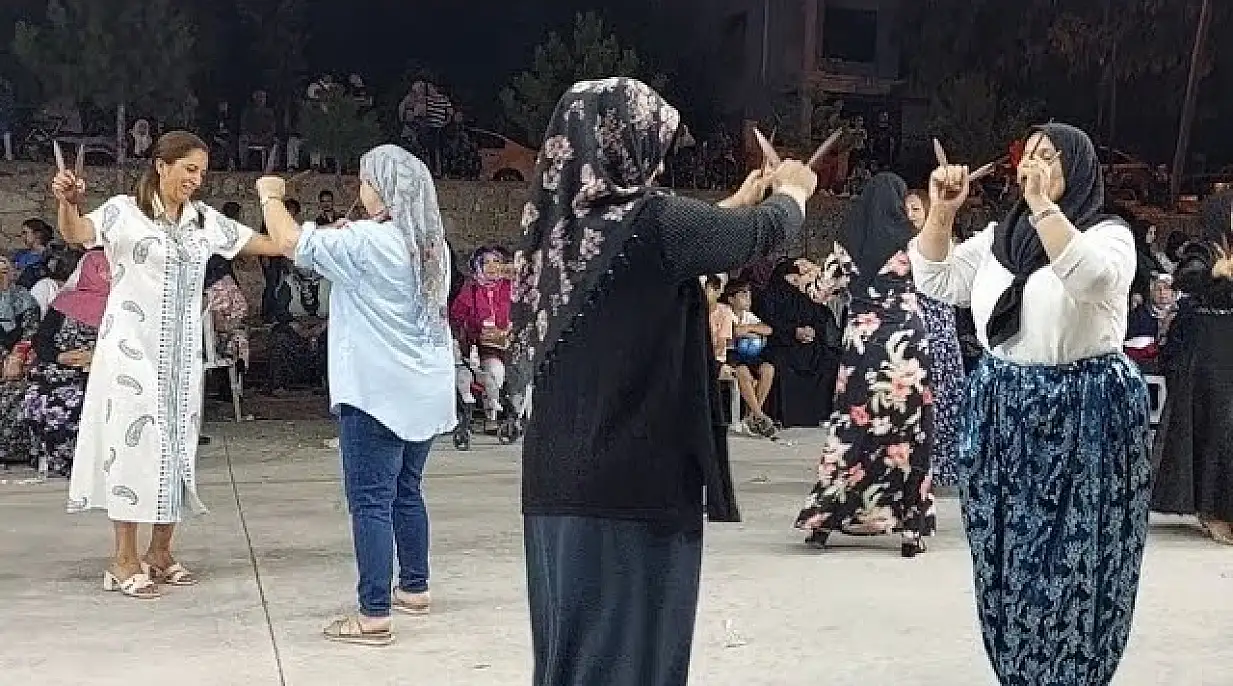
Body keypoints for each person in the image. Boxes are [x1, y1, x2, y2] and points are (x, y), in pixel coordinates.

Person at [508, 77, 816, 686]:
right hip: (632, 484)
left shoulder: (557, 231)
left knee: (574, 662)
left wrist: (734, 201)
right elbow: (756, 236)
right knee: (631, 662)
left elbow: (672, 248)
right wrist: (792, 192)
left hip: (556, 484)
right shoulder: (652, 224)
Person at [908, 123, 1149, 685]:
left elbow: (1091, 279)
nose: (1036, 165)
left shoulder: (1108, 235)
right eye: (1031, 155)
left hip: (1086, 413)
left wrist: (1043, 207)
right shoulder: (1000, 241)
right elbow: (937, 279)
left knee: (1077, 561)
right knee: (1008, 557)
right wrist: (942, 212)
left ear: (1078, 170)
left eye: (1051, 157)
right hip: (1004, 412)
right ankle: (1017, 672)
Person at [51, 130, 287, 600]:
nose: (196, 179)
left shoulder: (204, 222)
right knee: (132, 446)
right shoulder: (123, 212)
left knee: (177, 445)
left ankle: (160, 552)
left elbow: (273, 244)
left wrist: (279, 207)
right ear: (162, 165)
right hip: (130, 352)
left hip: (181, 358)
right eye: (189, 169)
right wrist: (68, 202)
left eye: (202, 172)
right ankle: (123, 559)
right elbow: (76, 233)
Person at [257, 144, 455, 645]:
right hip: (424, 389)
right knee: (407, 490)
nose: (359, 189)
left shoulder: (368, 241)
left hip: (376, 391)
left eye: (365, 180)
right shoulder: (432, 245)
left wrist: (270, 196)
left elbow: (289, 241)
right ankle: (414, 586)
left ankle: (373, 614)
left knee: (370, 502)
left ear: (382, 189)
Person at [794, 173, 936, 557]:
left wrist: (806, 279)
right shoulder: (914, 244)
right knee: (908, 433)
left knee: (853, 428)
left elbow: (821, 292)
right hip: (908, 348)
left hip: (864, 347)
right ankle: (911, 530)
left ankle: (824, 522)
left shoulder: (848, 246)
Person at [1152, 191, 1233, 545]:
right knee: (1218, 424)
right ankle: (1213, 509)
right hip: (1210, 346)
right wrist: (1217, 271)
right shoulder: (1205, 249)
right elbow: (1185, 276)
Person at [22, 250, 110, 477]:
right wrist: (61, 356)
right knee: (37, 395)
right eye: (100, 270)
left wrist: (96, 356)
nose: (106, 275)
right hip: (59, 366)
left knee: (77, 399)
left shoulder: (121, 307)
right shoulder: (65, 302)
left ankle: (84, 462)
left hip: (100, 370)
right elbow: (41, 340)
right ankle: (51, 457)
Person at [907, 189, 966, 489]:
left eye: (916, 209)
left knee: (943, 399)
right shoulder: (900, 246)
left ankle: (942, 467)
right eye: (906, 209)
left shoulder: (941, 242)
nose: (910, 215)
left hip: (939, 329)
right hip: (913, 331)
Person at [753, 259, 843, 427]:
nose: (794, 285)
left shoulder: (806, 298)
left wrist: (812, 332)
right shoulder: (769, 297)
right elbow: (769, 322)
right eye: (792, 280)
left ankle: (823, 414)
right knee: (780, 363)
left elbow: (820, 318)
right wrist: (793, 331)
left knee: (832, 361)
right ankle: (783, 416)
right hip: (781, 344)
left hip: (810, 347)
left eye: (797, 280)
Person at [449, 246, 512, 421]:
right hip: (481, 347)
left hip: (509, 345)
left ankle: (505, 415)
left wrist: (508, 330)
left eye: (496, 261)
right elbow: (455, 319)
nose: (491, 266)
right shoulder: (470, 291)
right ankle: (483, 414)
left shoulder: (511, 288)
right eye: (486, 262)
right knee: (491, 371)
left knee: (508, 372)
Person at [719, 279, 777, 436]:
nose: (748, 297)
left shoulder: (747, 316)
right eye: (743, 294)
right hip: (730, 353)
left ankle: (752, 416)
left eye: (749, 294)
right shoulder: (724, 312)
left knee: (768, 369)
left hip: (749, 354)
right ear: (731, 299)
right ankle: (759, 416)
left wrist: (749, 328)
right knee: (743, 372)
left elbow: (768, 330)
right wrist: (751, 333)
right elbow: (735, 332)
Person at [0, 255, 39, 467]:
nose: (2, 277)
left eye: (5, 272)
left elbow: (32, 333)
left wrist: (16, 356)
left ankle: (13, 451)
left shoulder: (25, 299)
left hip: (19, 360)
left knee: (17, 389)